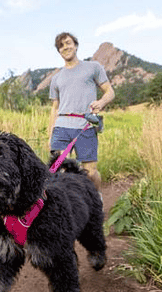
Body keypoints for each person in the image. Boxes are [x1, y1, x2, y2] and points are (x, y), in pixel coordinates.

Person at [48, 32, 115, 192]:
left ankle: (96, 198)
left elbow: (110, 92)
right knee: (60, 169)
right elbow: (54, 108)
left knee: (90, 173)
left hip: (86, 125)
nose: (66, 47)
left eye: (68, 43)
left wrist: (101, 102)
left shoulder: (93, 67)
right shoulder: (56, 78)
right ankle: (69, 207)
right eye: (61, 46)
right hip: (62, 126)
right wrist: (50, 134)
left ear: (76, 45)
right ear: (59, 51)